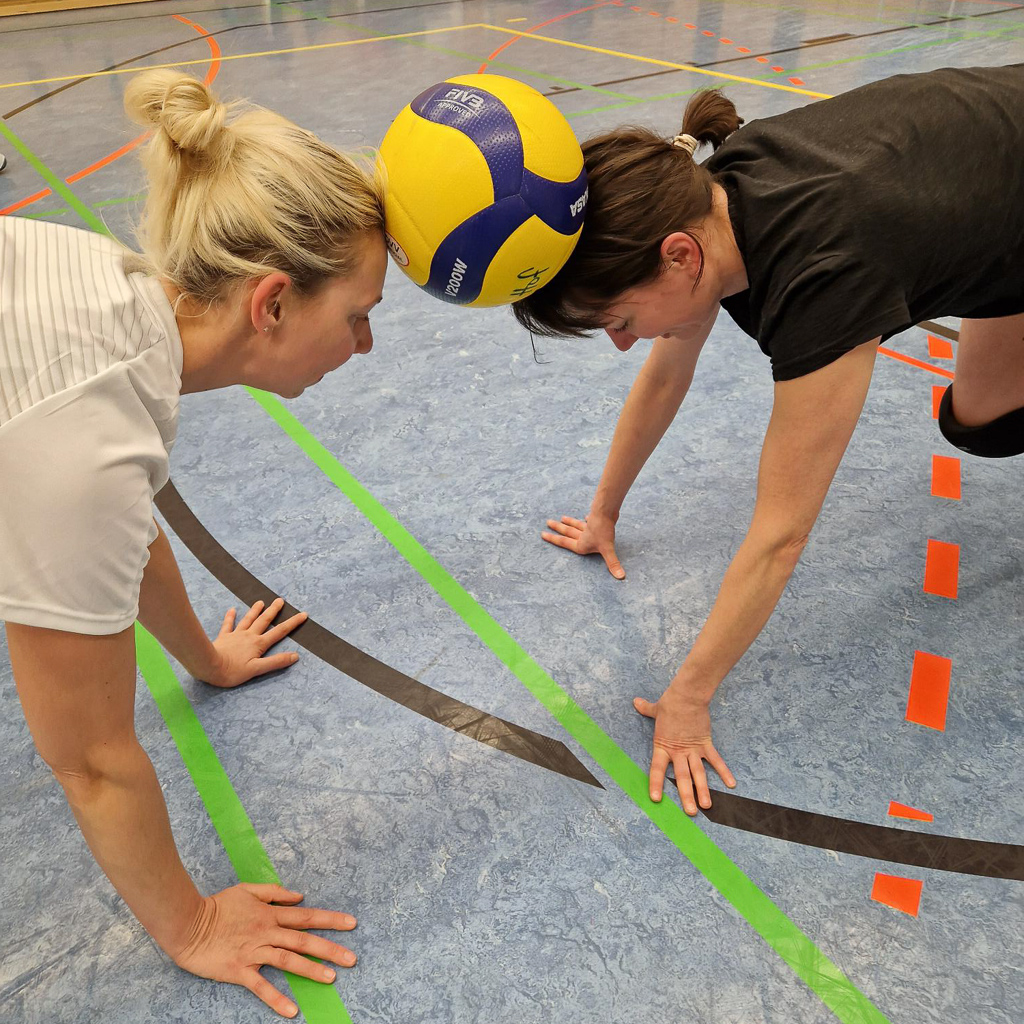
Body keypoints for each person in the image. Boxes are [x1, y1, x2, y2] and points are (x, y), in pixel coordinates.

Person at [512, 64, 1024, 818]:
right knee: (978, 419)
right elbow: (664, 378)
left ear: (679, 257)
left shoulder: (823, 276)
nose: (621, 342)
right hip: (998, 181)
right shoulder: (711, 199)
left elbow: (781, 533)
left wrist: (688, 698)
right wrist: (603, 514)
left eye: (618, 320)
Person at [0, 71, 387, 1018]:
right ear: (272, 303)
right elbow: (88, 758)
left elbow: (126, 537)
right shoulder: (83, 436)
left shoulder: (123, 306)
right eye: (358, 314)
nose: (366, 344)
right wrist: (194, 924)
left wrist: (206, 661)